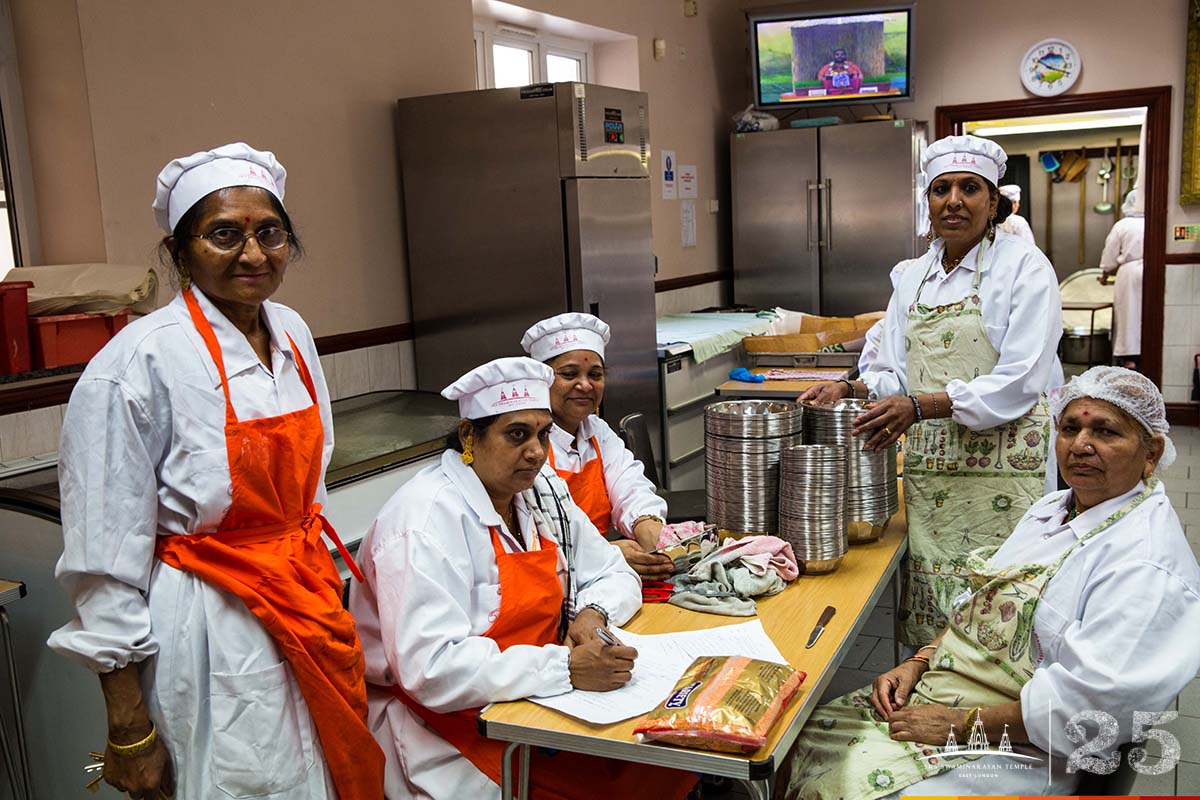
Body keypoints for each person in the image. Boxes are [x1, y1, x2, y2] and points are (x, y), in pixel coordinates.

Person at [47, 143, 384, 798]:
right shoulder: (137, 364)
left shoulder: (291, 333)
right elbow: (102, 564)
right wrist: (129, 727)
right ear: (179, 251)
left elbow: (307, 493)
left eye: (270, 233)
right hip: (209, 630)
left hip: (306, 603)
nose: (253, 255)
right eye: (224, 234)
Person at [778, 366, 1200, 799]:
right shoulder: (1054, 509)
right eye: (1070, 428)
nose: (1081, 445)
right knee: (798, 736)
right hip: (949, 686)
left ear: (1151, 453)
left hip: (1026, 742)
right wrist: (918, 661)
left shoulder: (1146, 566)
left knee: (846, 786)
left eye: (1106, 432)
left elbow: (1093, 711)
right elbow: (979, 602)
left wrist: (961, 725)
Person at [348, 357, 696, 800]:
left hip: (532, 700)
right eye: (517, 435)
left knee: (661, 761)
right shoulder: (424, 522)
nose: (536, 451)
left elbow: (612, 569)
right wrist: (563, 668)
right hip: (449, 728)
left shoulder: (539, 493)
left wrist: (592, 612)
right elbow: (431, 670)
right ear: (469, 436)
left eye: (542, 434)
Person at [801, 135, 1063, 648]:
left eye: (970, 188)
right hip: (935, 467)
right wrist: (849, 386)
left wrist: (922, 406)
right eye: (941, 189)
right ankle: (922, 700)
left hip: (1006, 467)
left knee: (1001, 597)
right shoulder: (914, 277)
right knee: (930, 595)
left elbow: (1022, 377)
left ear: (994, 203)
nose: (954, 200)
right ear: (928, 203)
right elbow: (895, 371)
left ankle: (996, 714)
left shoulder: (1025, 267)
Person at [521, 312, 674, 581]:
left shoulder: (597, 432)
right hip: (553, 578)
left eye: (595, 374)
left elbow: (630, 486)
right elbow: (535, 540)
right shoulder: (529, 445)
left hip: (599, 578)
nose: (584, 385)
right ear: (540, 380)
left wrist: (651, 532)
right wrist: (606, 553)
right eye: (569, 374)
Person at [1100, 188, 1144, 369]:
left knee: (1129, 315)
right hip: (1153, 272)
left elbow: (1110, 255)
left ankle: (1129, 360)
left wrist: (1105, 273)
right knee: (1146, 315)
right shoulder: (1155, 221)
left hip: (1129, 273)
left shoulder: (1122, 225)